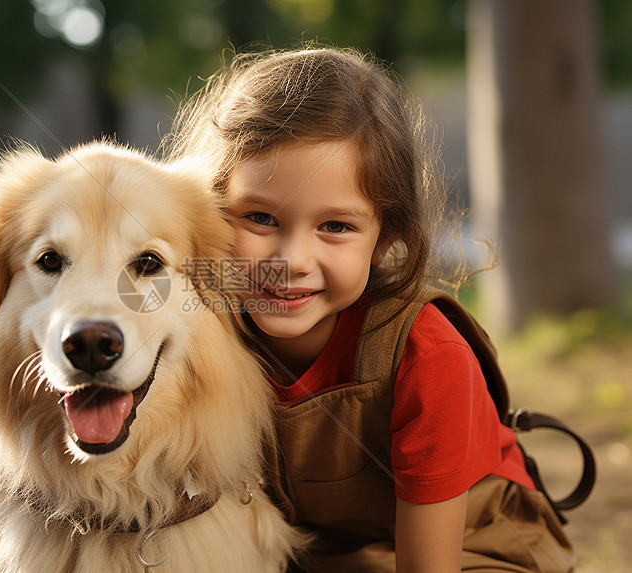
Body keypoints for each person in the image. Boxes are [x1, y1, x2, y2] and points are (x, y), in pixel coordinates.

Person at [165, 46, 575, 572]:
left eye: (335, 227)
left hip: (478, 548)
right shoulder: (199, 324)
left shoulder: (427, 356)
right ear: (210, 212)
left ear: (384, 241)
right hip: (321, 554)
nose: (291, 261)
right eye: (260, 218)